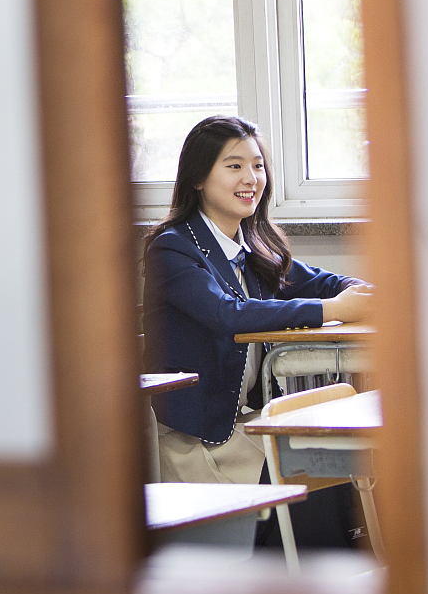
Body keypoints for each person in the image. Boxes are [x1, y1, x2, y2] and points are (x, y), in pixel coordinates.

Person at [144, 115, 371, 486]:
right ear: (198, 179)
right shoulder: (171, 247)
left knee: (339, 457)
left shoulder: (253, 248)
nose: (251, 179)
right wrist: (335, 310)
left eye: (258, 166)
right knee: (322, 468)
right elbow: (227, 314)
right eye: (234, 166)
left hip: (246, 423)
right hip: (197, 439)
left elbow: (321, 282)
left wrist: (365, 292)